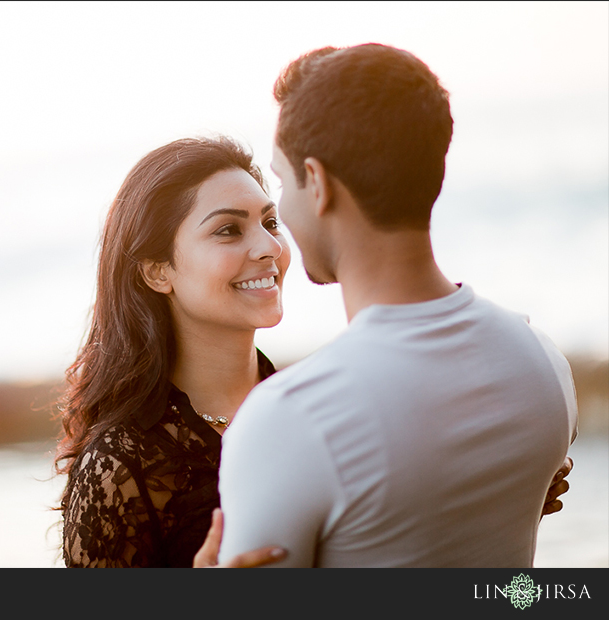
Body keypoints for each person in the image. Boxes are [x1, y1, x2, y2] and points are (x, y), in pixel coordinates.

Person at [212, 43, 579, 568]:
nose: (281, 218)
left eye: (281, 180)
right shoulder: (543, 364)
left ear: (316, 183)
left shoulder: (290, 419)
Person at [54, 135, 293, 567]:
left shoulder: (315, 411)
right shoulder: (119, 467)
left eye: (270, 222)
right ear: (158, 271)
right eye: (228, 230)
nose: (270, 247)